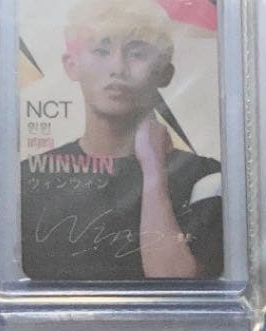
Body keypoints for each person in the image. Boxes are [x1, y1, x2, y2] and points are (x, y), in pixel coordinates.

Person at [21, 0, 223, 281]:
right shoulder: (27, 178)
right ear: (71, 65)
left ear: (165, 73)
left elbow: (176, 284)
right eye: (101, 51)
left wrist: (153, 171)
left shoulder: (208, 178)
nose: (118, 68)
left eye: (137, 53)